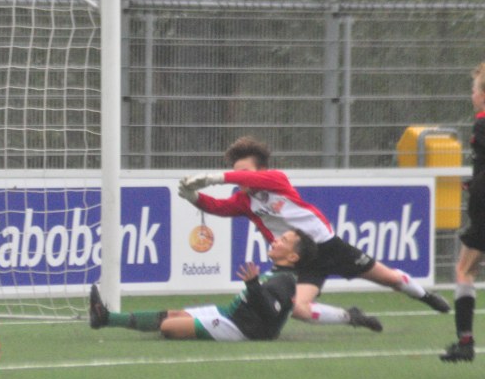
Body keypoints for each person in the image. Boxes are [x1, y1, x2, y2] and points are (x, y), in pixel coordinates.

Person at [178, 136, 450, 333]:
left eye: (244, 173)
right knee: (298, 309)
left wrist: (215, 178)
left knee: (390, 279)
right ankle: (351, 317)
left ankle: (425, 296)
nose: (239, 179)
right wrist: (192, 196)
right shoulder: (244, 201)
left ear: (260, 170)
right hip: (299, 261)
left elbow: (251, 181)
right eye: (235, 174)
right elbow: (217, 207)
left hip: (328, 247)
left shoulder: (276, 180)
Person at [89, 229, 316, 341]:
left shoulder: (286, 281)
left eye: (283, 241)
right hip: (231, 314)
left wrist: (253, 285)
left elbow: (270, 312)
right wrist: (254, 285)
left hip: (242, 328)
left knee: (169, 327)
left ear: (293, 257)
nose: (276, 240)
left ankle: (110, 319)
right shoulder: (278, 274)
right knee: (175, 314)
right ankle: (105, 318)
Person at [440, 62, 485, 363]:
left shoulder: (482, 122)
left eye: (474, 90)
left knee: (464, 269)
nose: (472, 95)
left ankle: (465, 343)